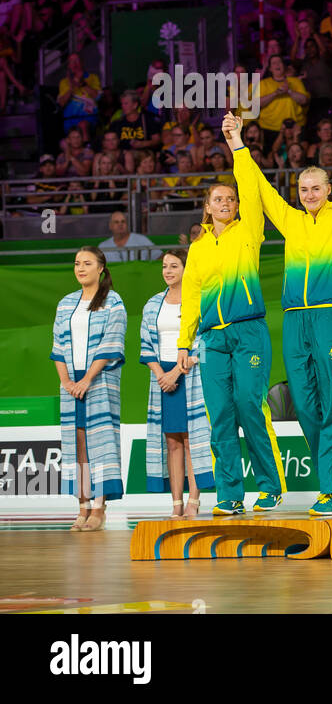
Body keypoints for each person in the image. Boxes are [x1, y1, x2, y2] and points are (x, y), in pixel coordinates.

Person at [237, 115, 332, 516]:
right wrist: (238, 143)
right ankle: (327, 484)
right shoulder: (289, 220)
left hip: (329, 317)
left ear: (329, 189)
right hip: (294, 319)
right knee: (305, 405)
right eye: (303, 189)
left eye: (316, 188)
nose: (309, 194)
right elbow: (261, 187)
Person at [176, 113, 287, 515]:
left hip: (249, 332)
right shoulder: (199, 248)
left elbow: (250, 186)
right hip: (211, 341)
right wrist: (184, 342)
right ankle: (229, 495)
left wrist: (236, 141)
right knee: (220, 416)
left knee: (248, 405)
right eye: (218, 199)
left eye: (231, 198)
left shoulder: (249, 231)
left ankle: (271, 486)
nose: (226, 203)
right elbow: (190, 296)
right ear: (207, 208)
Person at [51, 246, 127, 531]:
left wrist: (87, 379)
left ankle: (99, 508)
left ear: (101, 268)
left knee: (100, 444)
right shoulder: (66, 303)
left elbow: (112, 344)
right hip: (71, 382)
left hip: (100, 379)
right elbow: (58, 346)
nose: (80, 268)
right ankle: (82, 507)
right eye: (76, 264)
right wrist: (67, 381)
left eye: (87, 263)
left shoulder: (113, 302)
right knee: (77, 444)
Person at [140, 249, 213, 519]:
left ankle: (194, 501)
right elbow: (146, 345)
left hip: (190, 377)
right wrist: (161, 373)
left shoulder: (200, 300)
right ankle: (176, 504)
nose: (168, 271)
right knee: (172, 442)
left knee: (191, 439)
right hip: (162, 380)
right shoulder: (152, 304)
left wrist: (177, 372)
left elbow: (205, 344)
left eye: (174, 266)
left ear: (186, 268)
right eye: (164, 266)